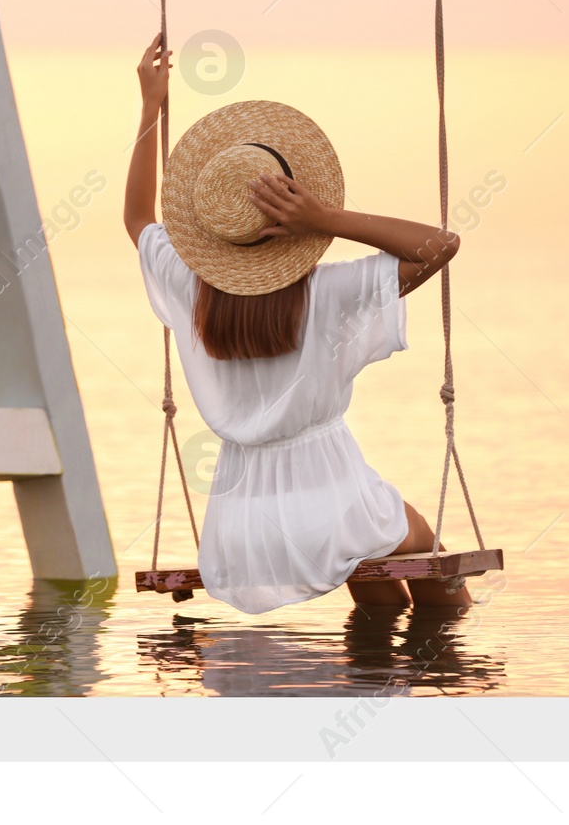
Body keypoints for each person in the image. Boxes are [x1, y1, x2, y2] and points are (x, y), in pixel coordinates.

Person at [124, 33, 470, 611]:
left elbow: (137, 216)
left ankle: (373, 655)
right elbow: (440, 245)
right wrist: (326, 217)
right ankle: (442, 673)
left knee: (381, 594)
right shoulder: (329, 292)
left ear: (212, 230)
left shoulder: (191, 291)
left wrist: (150, 109)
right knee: (429, 565)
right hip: (335, 506)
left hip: (237, 530)